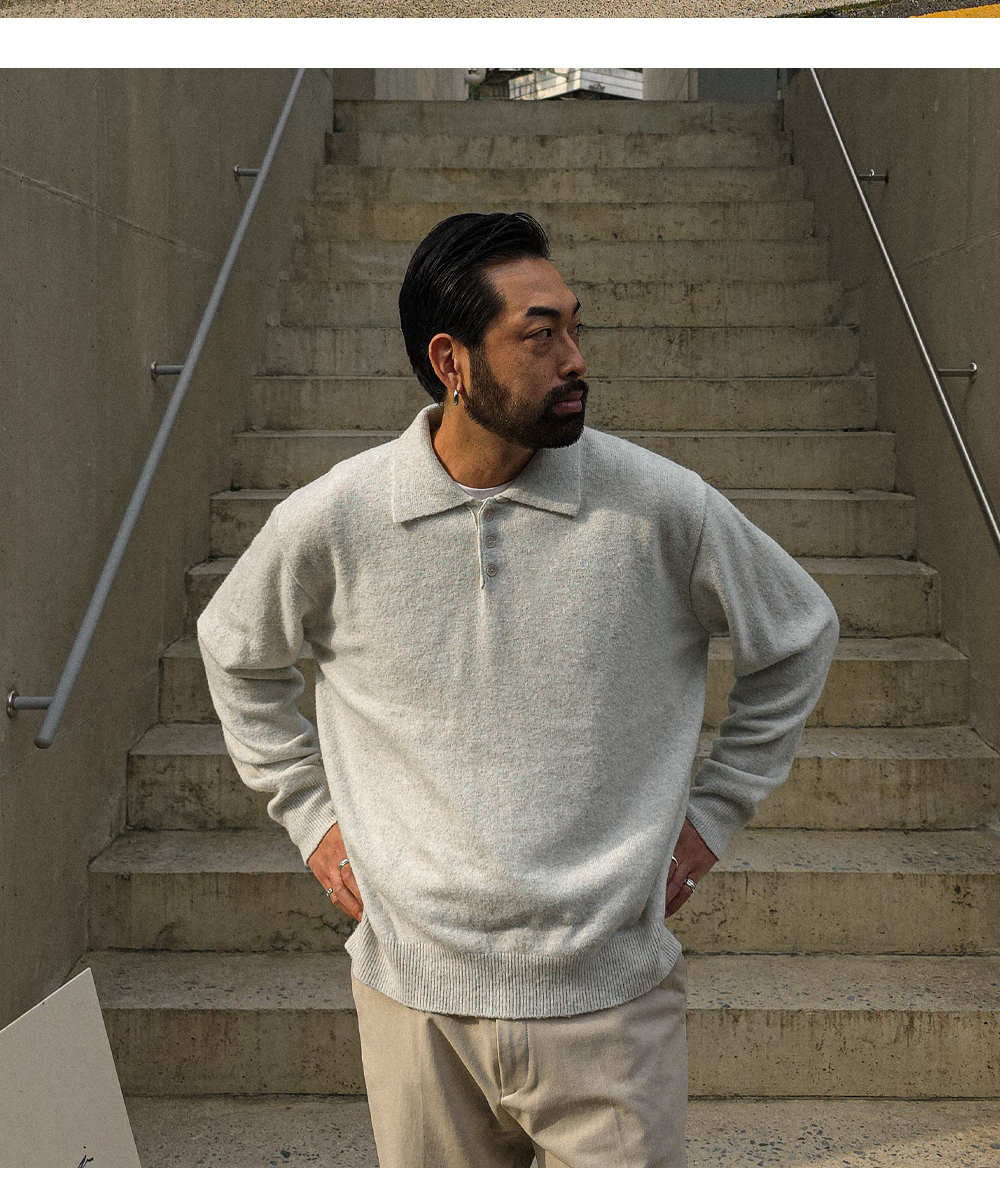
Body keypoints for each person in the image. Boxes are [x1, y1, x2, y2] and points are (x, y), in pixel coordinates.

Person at [198, 206, 840, 1170]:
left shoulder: (660, 506)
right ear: (450, 361)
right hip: (415, 1002)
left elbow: (799, 633)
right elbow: (235, 650)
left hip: (609, 1005)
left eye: (576, 327)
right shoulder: (336, 518)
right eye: (540, 336)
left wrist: (713, 815)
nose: (575, 359)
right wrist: (311, 818)